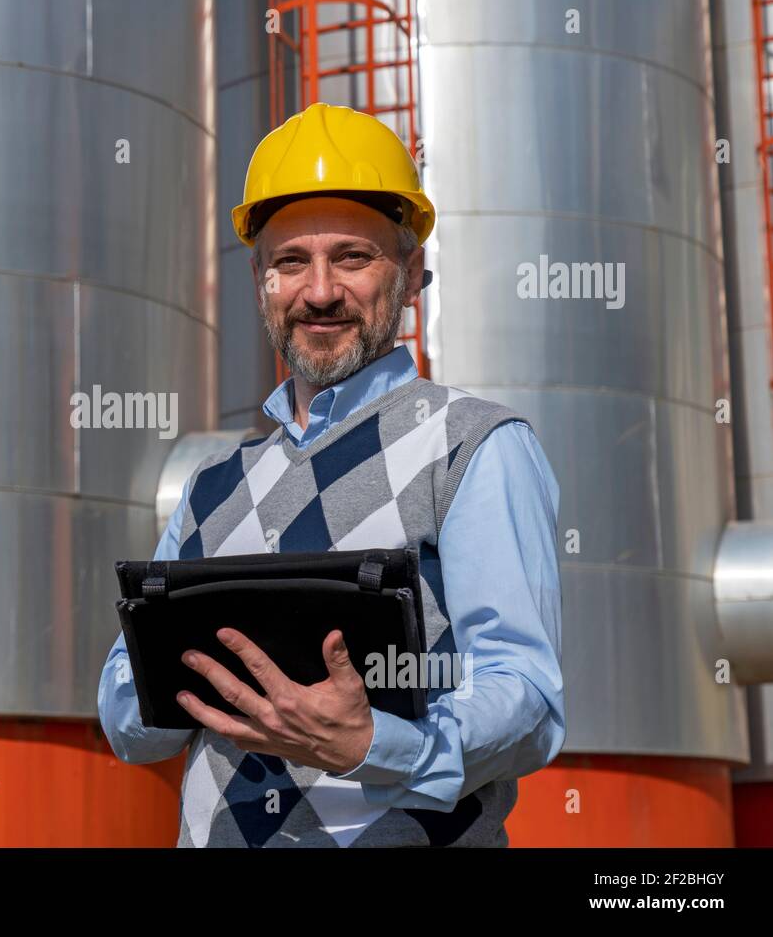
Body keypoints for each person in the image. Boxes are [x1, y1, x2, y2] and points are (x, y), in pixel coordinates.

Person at [97, 103, 565, 847]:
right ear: (261, 281)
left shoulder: (473, 444)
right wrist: (171, 683)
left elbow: (526, 698)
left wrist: (376, 744)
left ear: (411, 273)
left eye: (352, 257)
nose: (318, 292)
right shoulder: (212, 484)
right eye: (291, 263)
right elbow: (129, 722)